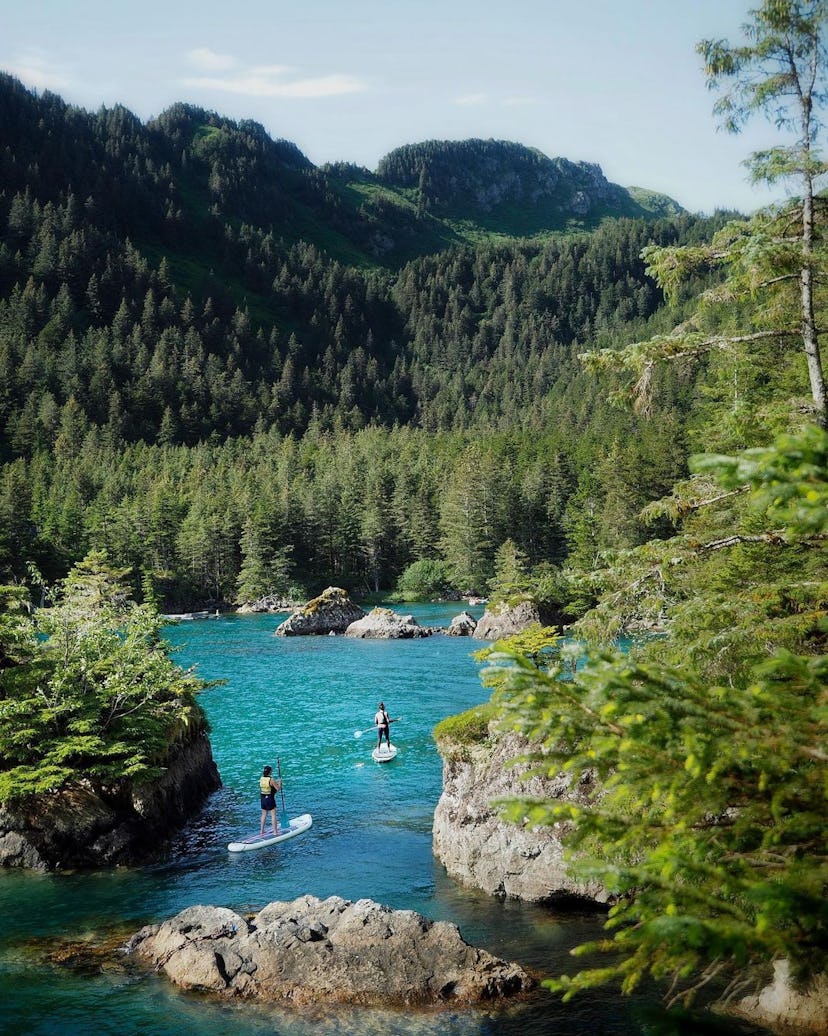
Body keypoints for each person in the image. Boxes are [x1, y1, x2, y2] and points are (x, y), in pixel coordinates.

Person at [259, 765, 282, 836]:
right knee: (273, 815)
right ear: (270, 772)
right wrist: (280, 783)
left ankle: (262, 831)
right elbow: (278, 788)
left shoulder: (261, 778)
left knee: (264, 814)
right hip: (269, 798)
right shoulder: (271, 779)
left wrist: (277, 782)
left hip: (262, 798)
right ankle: (275, 832)